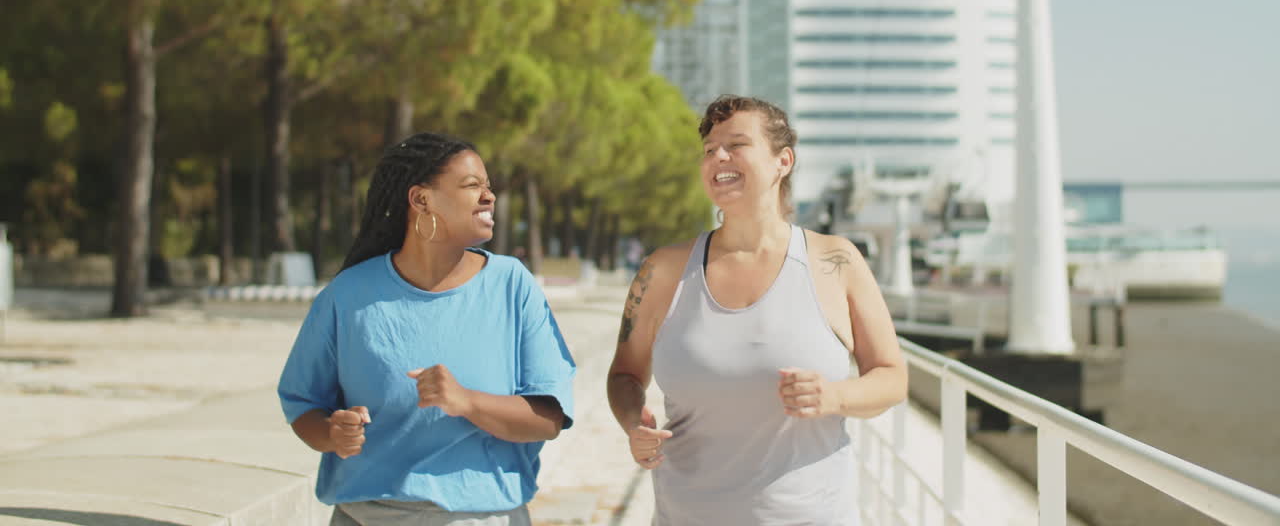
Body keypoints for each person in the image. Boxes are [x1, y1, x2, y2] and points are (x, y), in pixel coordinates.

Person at [607, 95, 908, 525]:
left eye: (736, 144)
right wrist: (634, 422)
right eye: (710, 149)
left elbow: (892, 377)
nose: (719, 156)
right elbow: (624, 375)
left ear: (782, 160)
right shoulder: (663, 269)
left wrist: (836, 395)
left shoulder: (834, 261)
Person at [278, 132, 575, 526]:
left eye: (488, 187)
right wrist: (333, 433)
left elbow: (548, 418)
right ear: (421, 199)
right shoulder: (347, 294)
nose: (490, 197)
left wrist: (466, 401)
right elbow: (304, 406)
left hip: (481, 517)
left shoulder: (511, 284)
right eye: (473, 186)